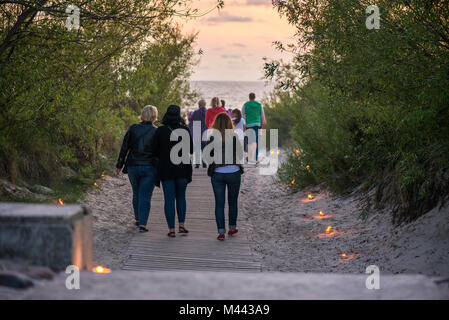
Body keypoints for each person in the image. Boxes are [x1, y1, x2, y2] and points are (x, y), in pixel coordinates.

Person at [151, 105, 193, 237]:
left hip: (166, 169)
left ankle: (171, 230)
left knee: (169, 199)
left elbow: (154, 151)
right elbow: (191, 150)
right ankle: (181, 225)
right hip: (182, 168)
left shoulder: (161, 131)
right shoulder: (185, 130)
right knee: (181, 197)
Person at [116, 106, 159, 233]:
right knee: (145, 195)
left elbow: (125, 147)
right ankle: (143, 224)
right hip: (150, 167)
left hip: (133, 166)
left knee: (136, 192)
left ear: (142, 115)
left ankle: (138, 219)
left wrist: (119, 164)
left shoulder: (133, 129)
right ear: (154, 116)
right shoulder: (157, 131)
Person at [207, 113, 244, 241]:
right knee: (233, 202)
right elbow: (240, 155)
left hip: (217, 173)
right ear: (230, 123)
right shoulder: (234, 136)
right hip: (233, 171)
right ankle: (232, 228)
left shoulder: (212, 138)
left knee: (219, 203)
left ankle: (221, 231)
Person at [242, 93, 265, 162]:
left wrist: (244, 124)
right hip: (257, 125)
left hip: (249, 125)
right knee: (256, 141)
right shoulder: (259, 105)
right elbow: (262, 116)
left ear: (249, 97)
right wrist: (261, 124)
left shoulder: (245, 105)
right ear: (255, 97)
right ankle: (255, 157)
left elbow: (242, 114)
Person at [188, 100, 208, 168]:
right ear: (205, 105)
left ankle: (197, 164)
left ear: (199, 105)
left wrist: (189, 115)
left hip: (197, 131)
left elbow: (191, 119)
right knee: (204, 148)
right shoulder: (207, 112)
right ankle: (204, 163)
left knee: (197, 148)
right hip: (205, 132)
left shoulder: (196, 112)